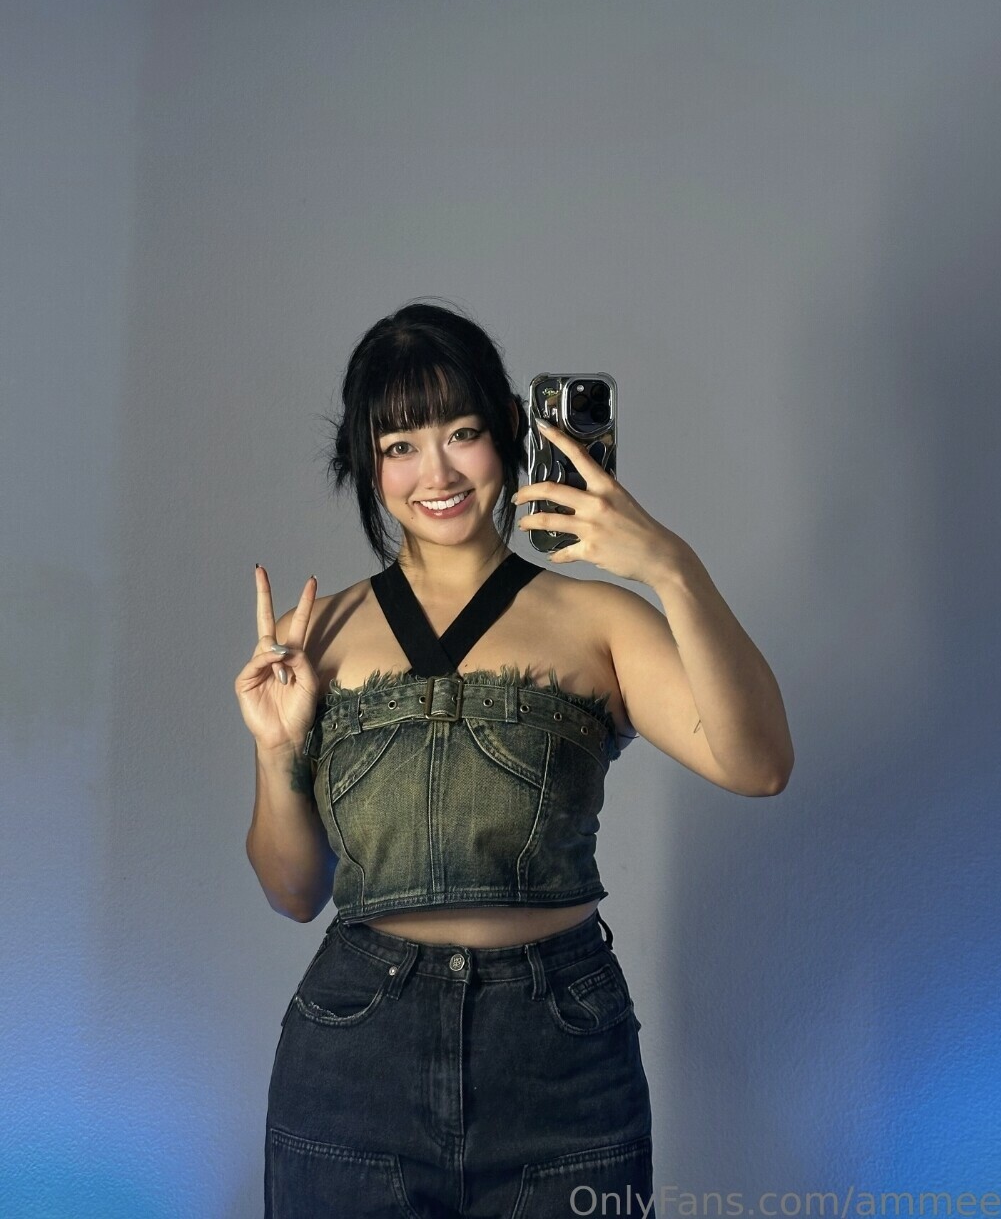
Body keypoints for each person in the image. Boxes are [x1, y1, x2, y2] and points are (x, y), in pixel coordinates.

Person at [235, 299, 794, 1218]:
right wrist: (275, 747)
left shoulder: (598, 619)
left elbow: (760, 763)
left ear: (508, 431)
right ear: (367, 463)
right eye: (401, 445)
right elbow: (295, 893)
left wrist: (668, 565)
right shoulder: (317, 635)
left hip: (560, 1058)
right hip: (354, 1058)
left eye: (461, 433)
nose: (437, 473)